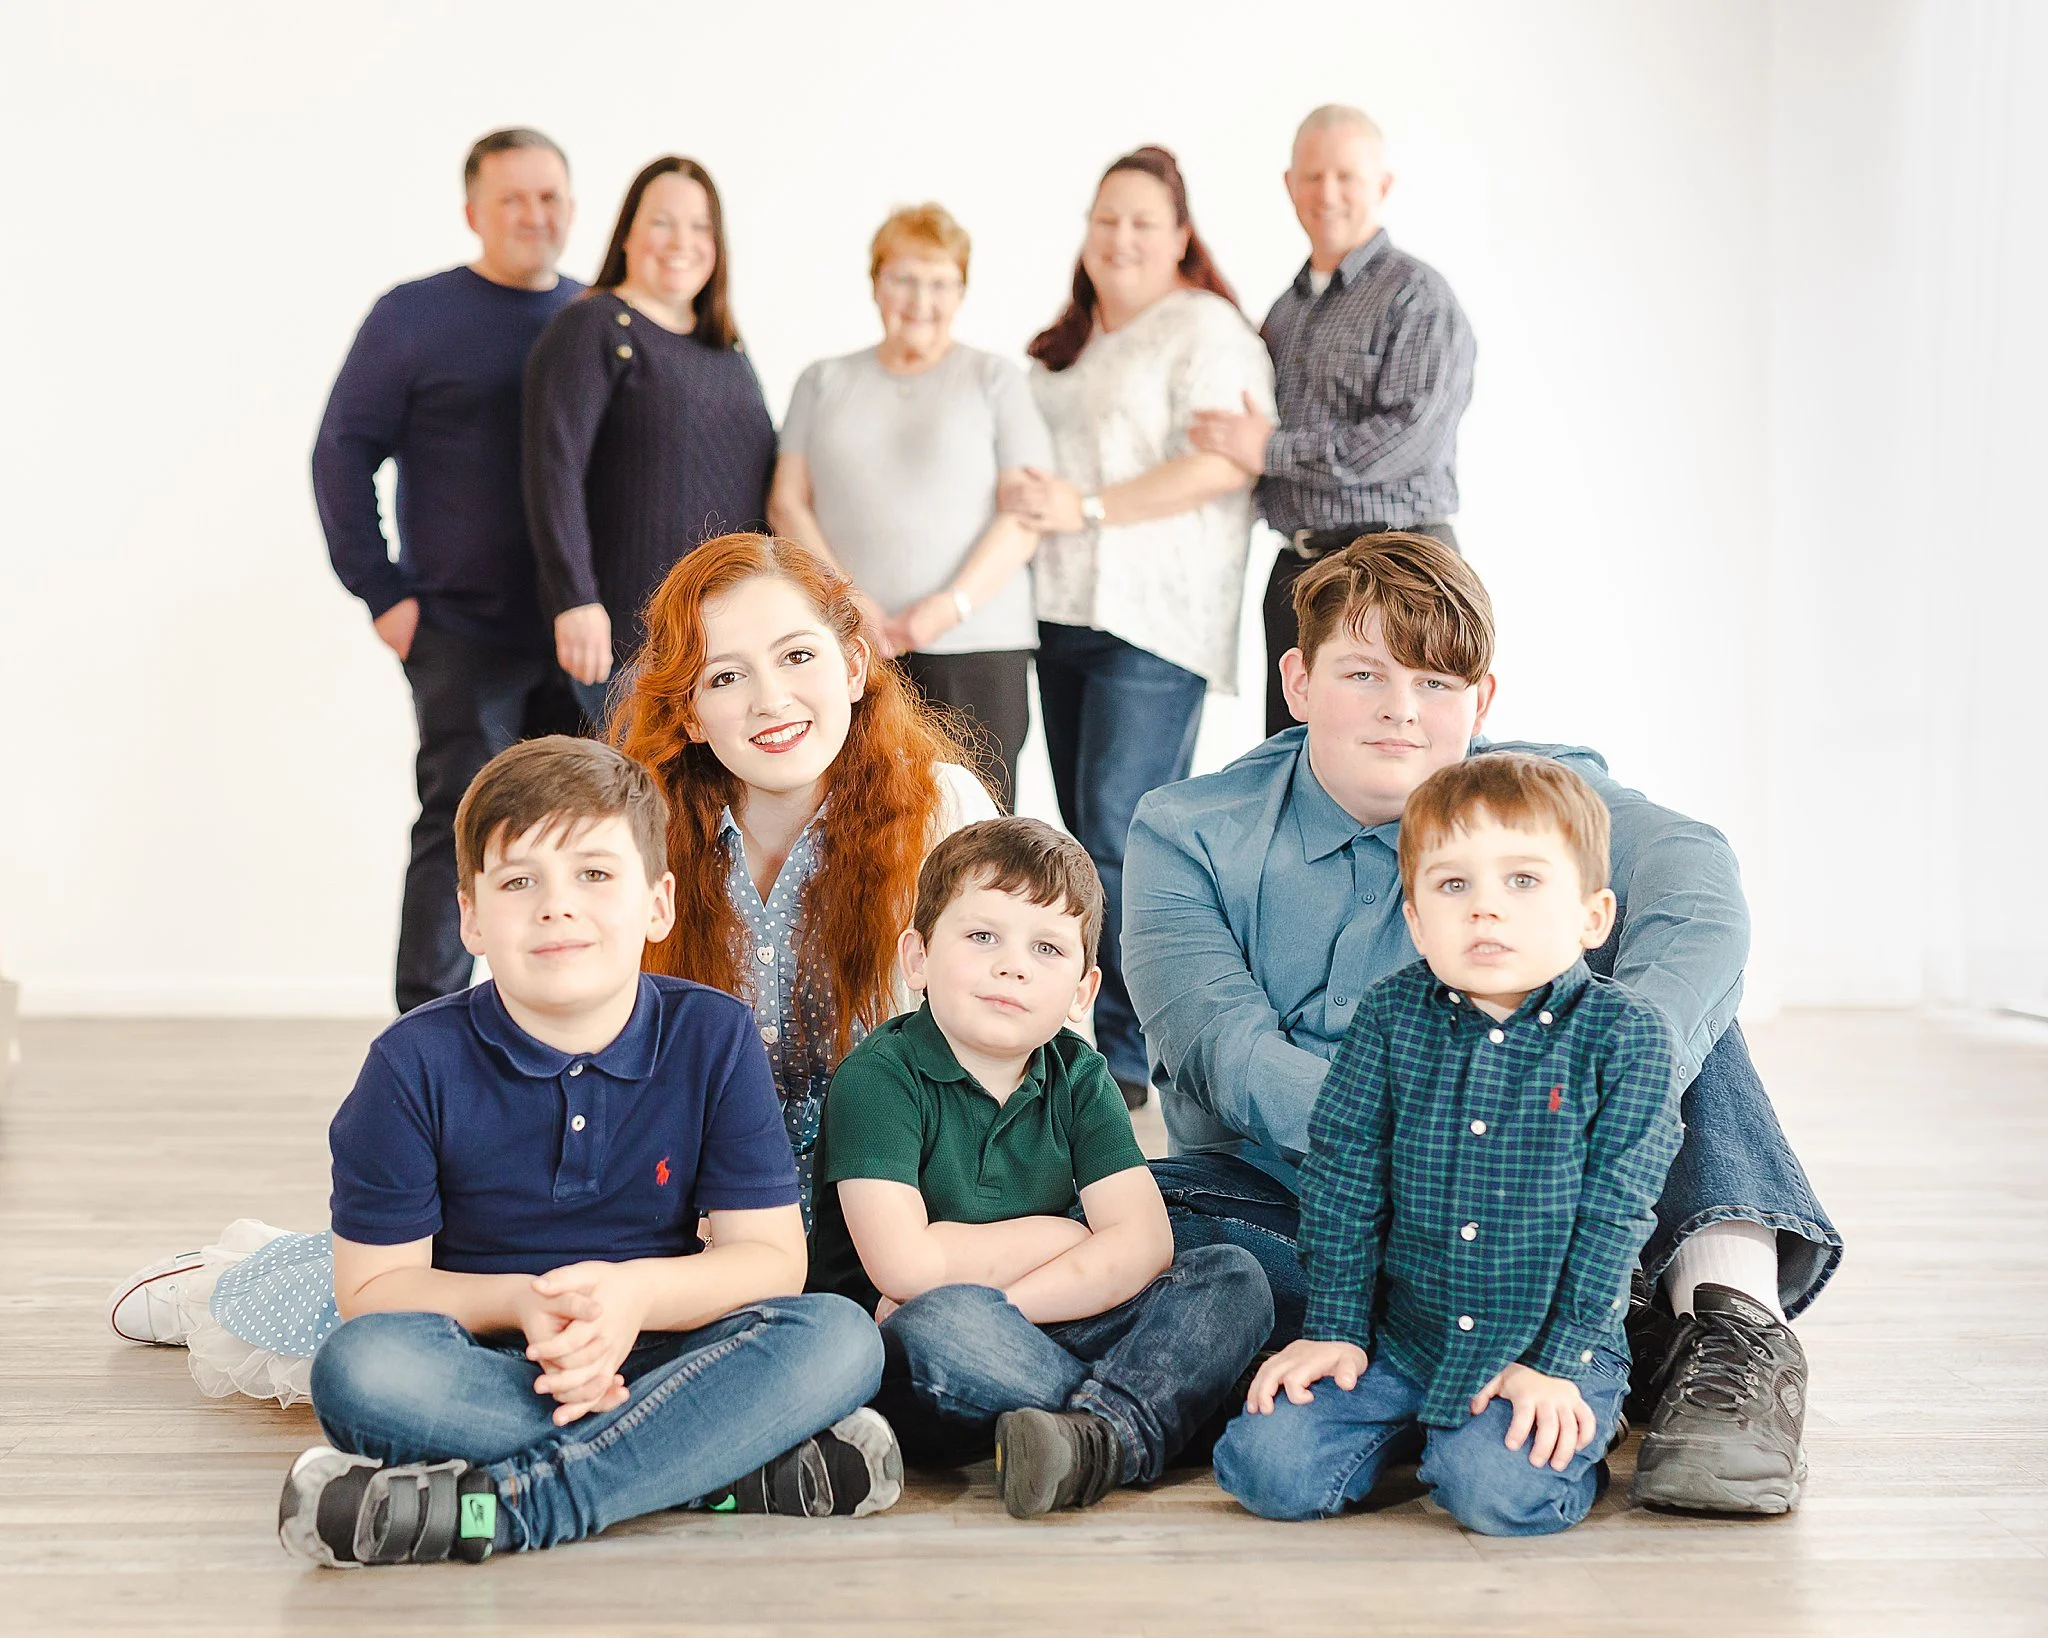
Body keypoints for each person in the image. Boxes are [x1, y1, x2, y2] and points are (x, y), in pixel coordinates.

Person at [109, 534, 997, 1402]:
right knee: (414, 1317)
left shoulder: (942, 812)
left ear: (851, 663)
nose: (771, 700)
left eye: (797, 656)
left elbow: (1015, 1036)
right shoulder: (638, 819)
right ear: (688, 708)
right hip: (650, 1196)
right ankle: (223, 1283)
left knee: (854, 1357)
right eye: (726, 676)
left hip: (863, 1205)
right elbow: (560, 1012)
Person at [1122, 532, 1838, 1515]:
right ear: (1295, 680)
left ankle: (1730, 1325)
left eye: (1431, 682)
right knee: (1109, 1221)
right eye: (1361, 674)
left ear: (1482, 702)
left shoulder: (1534, 795)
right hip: (1289, 1200)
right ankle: (1491, 1360)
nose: (1398, 712)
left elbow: (1697, 883)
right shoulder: (1187, 831)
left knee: (1650, 1003)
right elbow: (1228, 1054)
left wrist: (1595, 1090)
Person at [276, 735, 902, 1569]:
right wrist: (529, 1305)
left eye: (595, 875)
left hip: (668, 1340)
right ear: (469, 914)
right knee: (363, 1371)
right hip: (495, 1361)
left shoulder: (710, 1036)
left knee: (840, 1336)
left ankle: (510, 1508)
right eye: (519, 881)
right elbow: (373, 1290)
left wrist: (633, 1294)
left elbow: (772, 1261)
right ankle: (717, 1464)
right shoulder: (410, 1063)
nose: (556, 907)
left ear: (659, 904)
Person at [1215, 755, 1680, 1534]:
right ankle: (1420, 1432)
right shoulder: (1391, 1017)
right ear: (1417, 919)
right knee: (1265, 1468)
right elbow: (1344, 1178)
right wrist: (1333, 1329)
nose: (1484, 911)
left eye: (1523, 881)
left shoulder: (1626, 1038)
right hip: (1405, 1338)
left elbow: (1614, 1217)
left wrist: (1556, 1365)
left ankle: (1566, 1428)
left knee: (1493, 1493)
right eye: (1454, 885)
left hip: (1551, 1344)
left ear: (1591, 917)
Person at [808, 818, 1271, 1517]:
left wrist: (1013, 1304)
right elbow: (904, 1271)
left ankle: (1097, 1434)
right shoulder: (880, 1078)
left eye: (1046, 947)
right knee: (942, 1320)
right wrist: (1068, 1240)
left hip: (1042, 1314)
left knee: (1230, 1273)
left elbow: (1145, 1244)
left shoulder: (1081, 1077)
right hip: (923, 1352)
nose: (1012, 965)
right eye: (982, 936)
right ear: (917, 958)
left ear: (1084, 992)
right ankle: (1155, 1416)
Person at [1007, 145, 1276, 1104]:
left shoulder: (1205, 331)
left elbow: (1223, 466)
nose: (1119, 238)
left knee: (1127, 829)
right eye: (1105, 218)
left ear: (1180, 238)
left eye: (1142, 222)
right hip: (1062, 610)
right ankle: (1100, 1038)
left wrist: (1084, 506)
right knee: (1084, 832)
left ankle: (1137, 1049)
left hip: (1155, 617)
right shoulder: (1064, 348)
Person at [312, 127, 584, 1013]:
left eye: (549, 197)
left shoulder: (593, 317)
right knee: (464, 830)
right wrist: (383, 593)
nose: (533, 216)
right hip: (463, 631)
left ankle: (566, 1019)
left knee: (588, 836)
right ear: (473, 212)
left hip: (585, 638)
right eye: (513, 199)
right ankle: (427, 1037)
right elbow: (342, 451)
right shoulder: (415, 316)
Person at [1188, 105, 1477, 739]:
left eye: (1347, 175)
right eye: (1313, 177)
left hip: (1399, 562)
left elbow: (1408, 436)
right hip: (1298, 572)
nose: (1329, 193)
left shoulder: (1417, 296)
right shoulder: (1283, 313)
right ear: (1290, 186)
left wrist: (1271, 451)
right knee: (1291, 761)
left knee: (1401, 762)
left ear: (1383, 186)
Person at [769, 205, 1052, 808]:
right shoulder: (821, 382)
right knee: (856, 820)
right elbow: (787, 504)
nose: (921, 299)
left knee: (978, 827)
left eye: (940, 282)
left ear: (961, 292)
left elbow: (1025, 516)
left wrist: (949, 607)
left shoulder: (997, 379)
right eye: (903, 278)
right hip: (852, 643)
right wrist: (847, 602)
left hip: (977, 644)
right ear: (875, 283)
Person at [524, 157, 776, 723]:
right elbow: (553, 472)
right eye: (662, 221)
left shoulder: (726, 348)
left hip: (724, 638)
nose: (681, 241)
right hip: (628, 637)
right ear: (629, 232)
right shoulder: (594, 327)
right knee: (636, 804)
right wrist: (575, 600)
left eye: (700, 226)